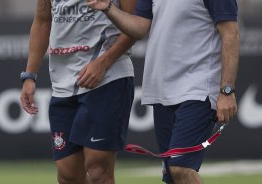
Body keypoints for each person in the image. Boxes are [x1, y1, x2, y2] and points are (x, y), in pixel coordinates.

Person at [87, 0, 240, 183]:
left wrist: (227, 90)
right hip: (162, 91)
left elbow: (231, 33)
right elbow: (140, 27)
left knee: (181, 167)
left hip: (199, 89)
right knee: (171, 176)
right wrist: (109, 9)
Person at [20, 0, 137, 183]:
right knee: (68, 176)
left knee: (98, 169)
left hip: (107, 76)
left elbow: (137, 23)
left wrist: (103, 62)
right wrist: (29, 75)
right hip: (62, 84)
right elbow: (43, 20)